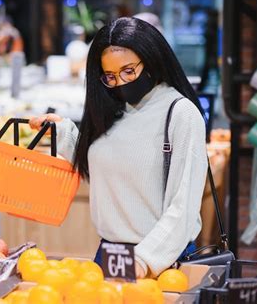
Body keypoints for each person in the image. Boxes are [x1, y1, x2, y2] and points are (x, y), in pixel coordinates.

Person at [29, 17, 207, 278]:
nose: (121, 83)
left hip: (160, 261)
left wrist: (143, 261)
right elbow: (110, 165)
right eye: (110, 76)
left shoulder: (179, 113)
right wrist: (63, 133)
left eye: (129, 71)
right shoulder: (114, 107)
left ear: (151, 59)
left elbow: (184, 207)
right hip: (109, 254)